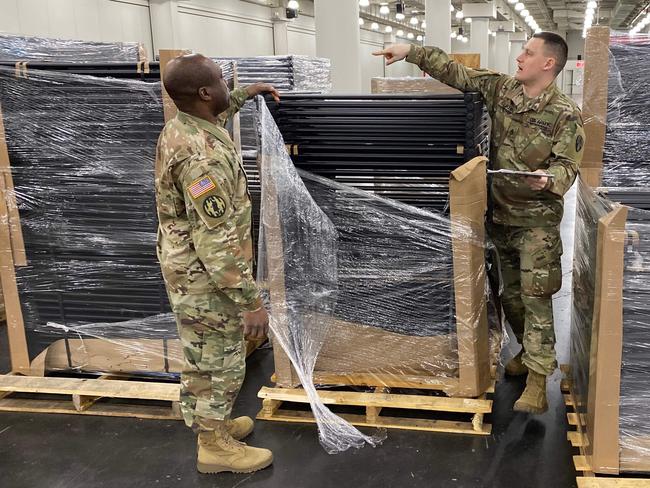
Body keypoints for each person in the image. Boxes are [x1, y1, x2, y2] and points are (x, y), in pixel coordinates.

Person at [373, 32, 584, 414]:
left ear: (548, 63)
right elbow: (458, 73)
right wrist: (411, 52)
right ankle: (526, 350)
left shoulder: (565, 113)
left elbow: (568, 166)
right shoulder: (504, 90)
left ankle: (538, 380)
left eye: (529, 53)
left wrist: (549, 178)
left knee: (536, 298)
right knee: (510, 296)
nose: (520, 57)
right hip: (500, 215)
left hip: (536, 222)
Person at [155, 53, 280, 473]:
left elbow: (219, 109)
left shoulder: (185, 125)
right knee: (220, 358)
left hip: (189, 270)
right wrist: (250, 301)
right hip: (207, 277)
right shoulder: (202, 157)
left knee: (201, 354)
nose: (228, 85)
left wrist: (249, 92)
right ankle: (213, 447)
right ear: (206, 93)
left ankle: (215, 425)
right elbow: (216, 241)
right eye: (223, 81)